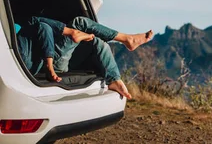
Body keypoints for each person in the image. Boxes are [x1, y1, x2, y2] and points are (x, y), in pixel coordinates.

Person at [15, 16, 153, 99]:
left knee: (97, 42)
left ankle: (114, 80)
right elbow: (40, 26)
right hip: (41, 62)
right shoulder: (10, 23)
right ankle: (127, 39)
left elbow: (42, 28)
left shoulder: (9, 24)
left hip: (45, 60)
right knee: (79, 22)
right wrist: (50, 67)